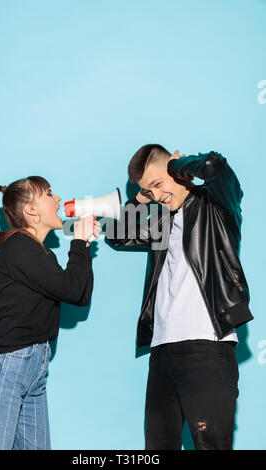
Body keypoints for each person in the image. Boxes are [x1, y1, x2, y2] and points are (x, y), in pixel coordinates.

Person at [105, 144, 253, 450]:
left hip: (207, 346)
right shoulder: (161, 222)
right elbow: (115, 233)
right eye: (149, 191)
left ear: (176, 171)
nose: (157, 196)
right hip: (162, 350)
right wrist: (140, 195)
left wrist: (179, 165)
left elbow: (214, 165)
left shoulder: (217, 207)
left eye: (158, 184)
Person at [0, 176, 101, 450]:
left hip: (33, 370)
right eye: (49, 194)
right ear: (31, 210)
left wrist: (84, 245)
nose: (57, 199)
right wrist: (77, 242)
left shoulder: (43, 255)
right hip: (5, 371)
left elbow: (79, 295)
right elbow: (71, 289)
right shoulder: (19, 247)